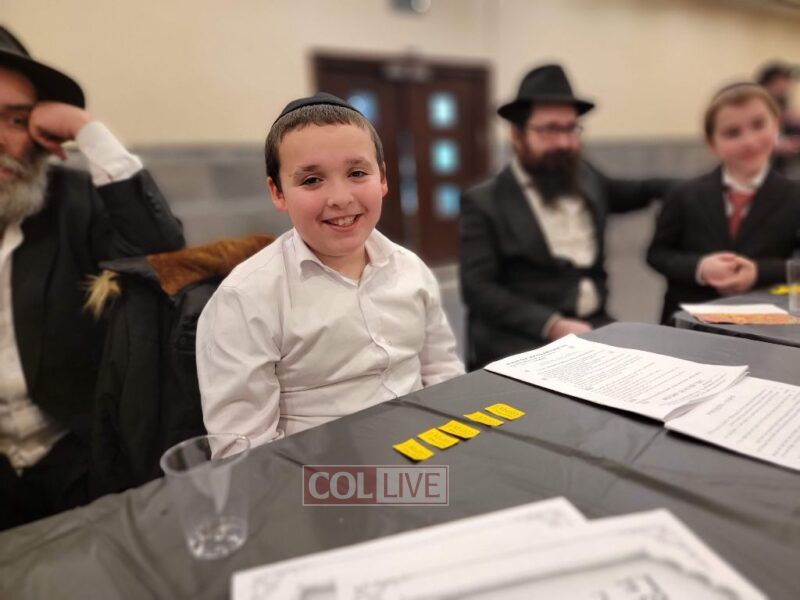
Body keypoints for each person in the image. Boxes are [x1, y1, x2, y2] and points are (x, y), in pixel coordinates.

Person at [196, 93, 464, 452]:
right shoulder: (245, 300)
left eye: (357, 173)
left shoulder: (410, 269)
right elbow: (242, 451)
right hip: (323, 474)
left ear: (383, 178)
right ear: (278, 192)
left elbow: (443, 373)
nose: (340, 198)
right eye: (311, 180)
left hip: (427, 453)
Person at [0, 26, 184, 529]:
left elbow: (163, 253)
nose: (2, 138)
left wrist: (86, 130)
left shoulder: (74, 202)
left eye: (16, 119)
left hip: (81, 460)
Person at [460, 64, 672, 369]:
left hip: (595, 325)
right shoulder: (484, 201)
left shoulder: (587, 178)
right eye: (549, 130)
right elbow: (478, 289)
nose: (563, 142)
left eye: (571, 128)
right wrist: (553, 325)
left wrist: (697, 188)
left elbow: (636, 191)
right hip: (522, 340)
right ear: (516, 135)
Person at [648, 82, 800, 323]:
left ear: (776, 125)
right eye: (732, 133)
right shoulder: (684, 193)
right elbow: (657, 253)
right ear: (711, 143)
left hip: (766, 323)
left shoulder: (794, 195)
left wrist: (758, 272)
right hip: (689, 321)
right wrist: (700, 267)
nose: (749, 141)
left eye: (758, 125)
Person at [756, 61, 800, 172]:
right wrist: (780, 144)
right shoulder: (756, 101)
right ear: (771, 82)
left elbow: (787, 117)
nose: (789, 84)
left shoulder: (781, 100)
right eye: (785, 79)